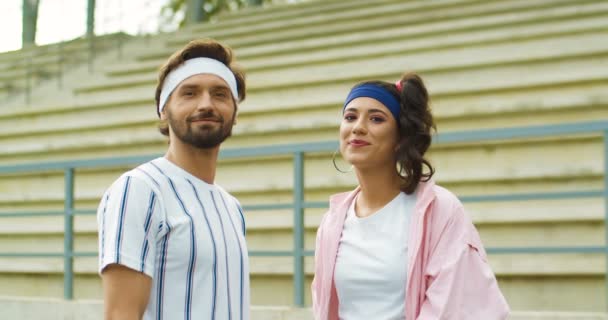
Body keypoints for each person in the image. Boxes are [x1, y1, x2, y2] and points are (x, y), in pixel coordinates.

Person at [311, 73, 510, 319]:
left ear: (401, 137)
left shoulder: (440, 210)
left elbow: (455, 307)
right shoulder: (332, 222)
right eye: (350, 117)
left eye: (376, 119)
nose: (358, 127)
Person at [96, 39, 249, 320]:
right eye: (189, 93)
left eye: (220, 94)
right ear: (164, 110)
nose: (206, 104)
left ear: (234, 112)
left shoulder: (232, 207)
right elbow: (121, 313)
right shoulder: (140, 189)